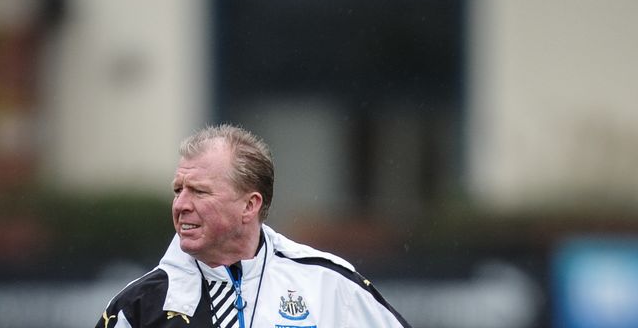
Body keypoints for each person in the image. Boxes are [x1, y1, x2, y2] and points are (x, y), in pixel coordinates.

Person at [95, 124, 411, 328]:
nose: (181, 205)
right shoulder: (140, 306)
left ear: (250, 205)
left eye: (200, 191)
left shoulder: (329, 284)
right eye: (179, 190)